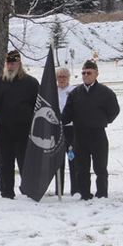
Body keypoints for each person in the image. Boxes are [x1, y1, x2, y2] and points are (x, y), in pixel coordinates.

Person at [61, 60, 119, 200]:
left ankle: (102, 194)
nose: (85, 75)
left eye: (89, 73)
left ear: (96, 74)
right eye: (83, 73)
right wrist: (58, 120)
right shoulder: (75, 93)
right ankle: (85, 193)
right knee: (81, 167)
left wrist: (103, 121)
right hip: (79, 134)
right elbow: (67, 114)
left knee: (100, 167)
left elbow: (114, 110)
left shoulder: (105, 92)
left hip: (98, 133)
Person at [0, 50, 39, 199]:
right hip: (5, 129)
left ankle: (29, 190)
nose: (11, 66)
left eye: (13, 63)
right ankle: (6, 191)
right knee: (5, 162)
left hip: (25, 129)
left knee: (25, 161)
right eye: (8, 63)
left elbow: (38, 106)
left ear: (19, 64)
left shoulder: (31, 83)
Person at [55, 67, 77, 195]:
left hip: (71, 129)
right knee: (58, 161)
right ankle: (59, 189)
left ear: (68, 78)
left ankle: (76, 188)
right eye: (59, 77)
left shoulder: (74, 91)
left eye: (64, 76)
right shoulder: (53, 91)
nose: (62, 79)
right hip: (57, 129)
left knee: (72, 158)